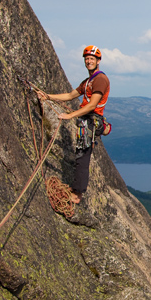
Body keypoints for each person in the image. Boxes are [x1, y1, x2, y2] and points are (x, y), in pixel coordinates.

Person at [36, 45, 110, 204]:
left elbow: (92, 105)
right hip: (86, 120)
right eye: (87, 59)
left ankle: (77, 195)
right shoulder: (88, 81)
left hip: (90, 120)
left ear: (98, 61)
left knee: (82, 157)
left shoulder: (100, 80)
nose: (89, 61)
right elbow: (70, 95)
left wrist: (69, 115)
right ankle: (76, 188)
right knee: (80, 154)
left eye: (92, 59)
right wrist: (47, 96)